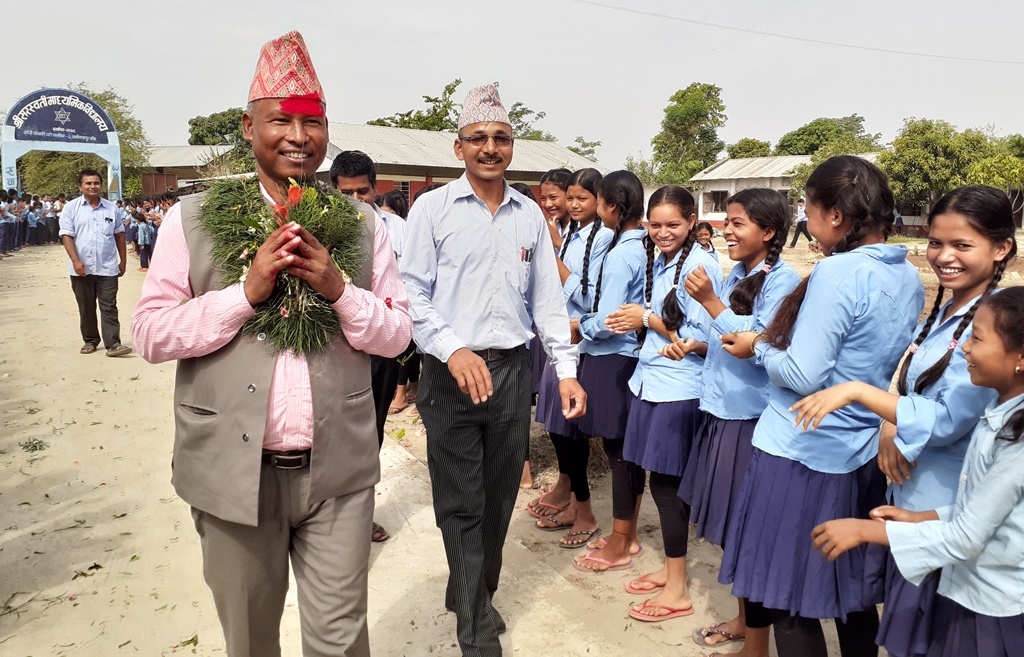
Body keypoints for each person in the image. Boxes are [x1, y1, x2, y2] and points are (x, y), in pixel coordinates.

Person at [131, 31, 412, 657]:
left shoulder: (362, 225)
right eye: (279, 119)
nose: (296, 135)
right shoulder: (193, 219)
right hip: (231, 473)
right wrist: (244, 293)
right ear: (248, 125)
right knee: (251, 641)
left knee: (341, 643)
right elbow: (150, 334)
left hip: (336, 476)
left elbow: (397, 335)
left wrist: (340, 290)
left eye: (310, 122)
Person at [790, 185, 1016, 657]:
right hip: (912, 500)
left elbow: (951, 419)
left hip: (947, 509)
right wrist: (891, 421)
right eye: (936, 242)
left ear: (1001, 249)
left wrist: (859, 393)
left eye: (962, 245)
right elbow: (913, 386)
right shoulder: (946, 311)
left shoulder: (994, 332)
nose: (944, 256)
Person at [400, 84, 586, 657]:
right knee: (460, 499)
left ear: (512, 147)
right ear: (459, 148)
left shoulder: (530, 214)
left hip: (510, 375)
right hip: (449, 373)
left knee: (501, 495)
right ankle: (474, 624)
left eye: (500, 138)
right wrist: (453, 349)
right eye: (478, 138)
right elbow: (413, 293)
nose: (490, 147)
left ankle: (476, 592)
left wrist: (566, 370)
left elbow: (548, 301)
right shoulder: (431, 209)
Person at [717, 156, 925, 657]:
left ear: (835, 215)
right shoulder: (907, 275)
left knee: (789, 599)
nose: (804, 219)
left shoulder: (837, 272)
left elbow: (803, 375)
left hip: (801, 451)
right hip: (855, 451)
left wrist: (757, 347)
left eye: (808, 207)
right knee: (847, 595)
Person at [809, 286, 1024, 657]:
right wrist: (920, 516)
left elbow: (967, 538)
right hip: (972, 589)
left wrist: (867, 530)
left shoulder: (1015, 439)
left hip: (992, 606)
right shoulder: (1000, 416)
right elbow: (984, 510)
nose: (965, 349)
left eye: (977, 338)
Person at [677, 188, 800, 655]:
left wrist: (710, 302)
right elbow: (726, 345)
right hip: (722, 409)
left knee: (744, 531)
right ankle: (746, 622)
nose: (726, 230)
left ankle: (757, 642)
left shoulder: (783, 281)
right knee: (732, 527)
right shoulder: (742, 275)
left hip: (748, 418)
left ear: (768, 232)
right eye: (726, 222)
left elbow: (758, 348)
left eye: (737, 223)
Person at [601, 185, 722, 622]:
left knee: (668, 488)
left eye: (674, 224)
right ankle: (671, 574)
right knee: (658, 484)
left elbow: (711, 338)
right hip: (652, 381)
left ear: (693, 222)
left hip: (680, 389)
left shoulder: (701, 265)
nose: (663, 232)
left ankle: (678, 589)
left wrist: (646, 318)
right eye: (656, 225)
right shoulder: (665, 259)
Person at [568, 170, 649, 571]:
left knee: (620, 453)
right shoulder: (640, 247)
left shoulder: (620, 255)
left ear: (612, 207)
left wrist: (579, 326)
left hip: (613, 357)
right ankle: (626, 534)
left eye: (598, 202)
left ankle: (621, 542)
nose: (597, 210)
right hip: (629, 355)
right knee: (625, 453)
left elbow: (612, 319)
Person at [331, 149, 409, 544]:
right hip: (337, 351)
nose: (357, 201)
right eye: (348, 194)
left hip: (381, 348)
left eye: (364, 192)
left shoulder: (395, 231)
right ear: (334, 191)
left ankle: (361, 515)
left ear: (376, 189)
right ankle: (328, 519)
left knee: (371, 432)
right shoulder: (324, 228)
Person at [532, 168, 612, 547]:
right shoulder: (573, 234)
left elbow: (585, 295)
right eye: (572, 198)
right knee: (556, 428)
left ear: (601, 200)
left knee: (571, 432)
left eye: (582, 199)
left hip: (577, 341)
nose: (573, 205)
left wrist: (552, 251)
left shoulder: (603, 239)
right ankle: (571, 500)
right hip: (557, 338)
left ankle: (585, 511)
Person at [58, 169, 132, 357]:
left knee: (109, 306)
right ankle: (90, 340)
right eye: (88, 183)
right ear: (80, 186)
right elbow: (66, 236)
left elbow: (120, 235)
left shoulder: (111, 208)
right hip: (81, 268)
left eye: (96, 183)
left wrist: (123, 261)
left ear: (101, 185)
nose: (93, 186)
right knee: (86, 306)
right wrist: (76, 261)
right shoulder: (71, 208)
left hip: (107, 267)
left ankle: (113, 344)